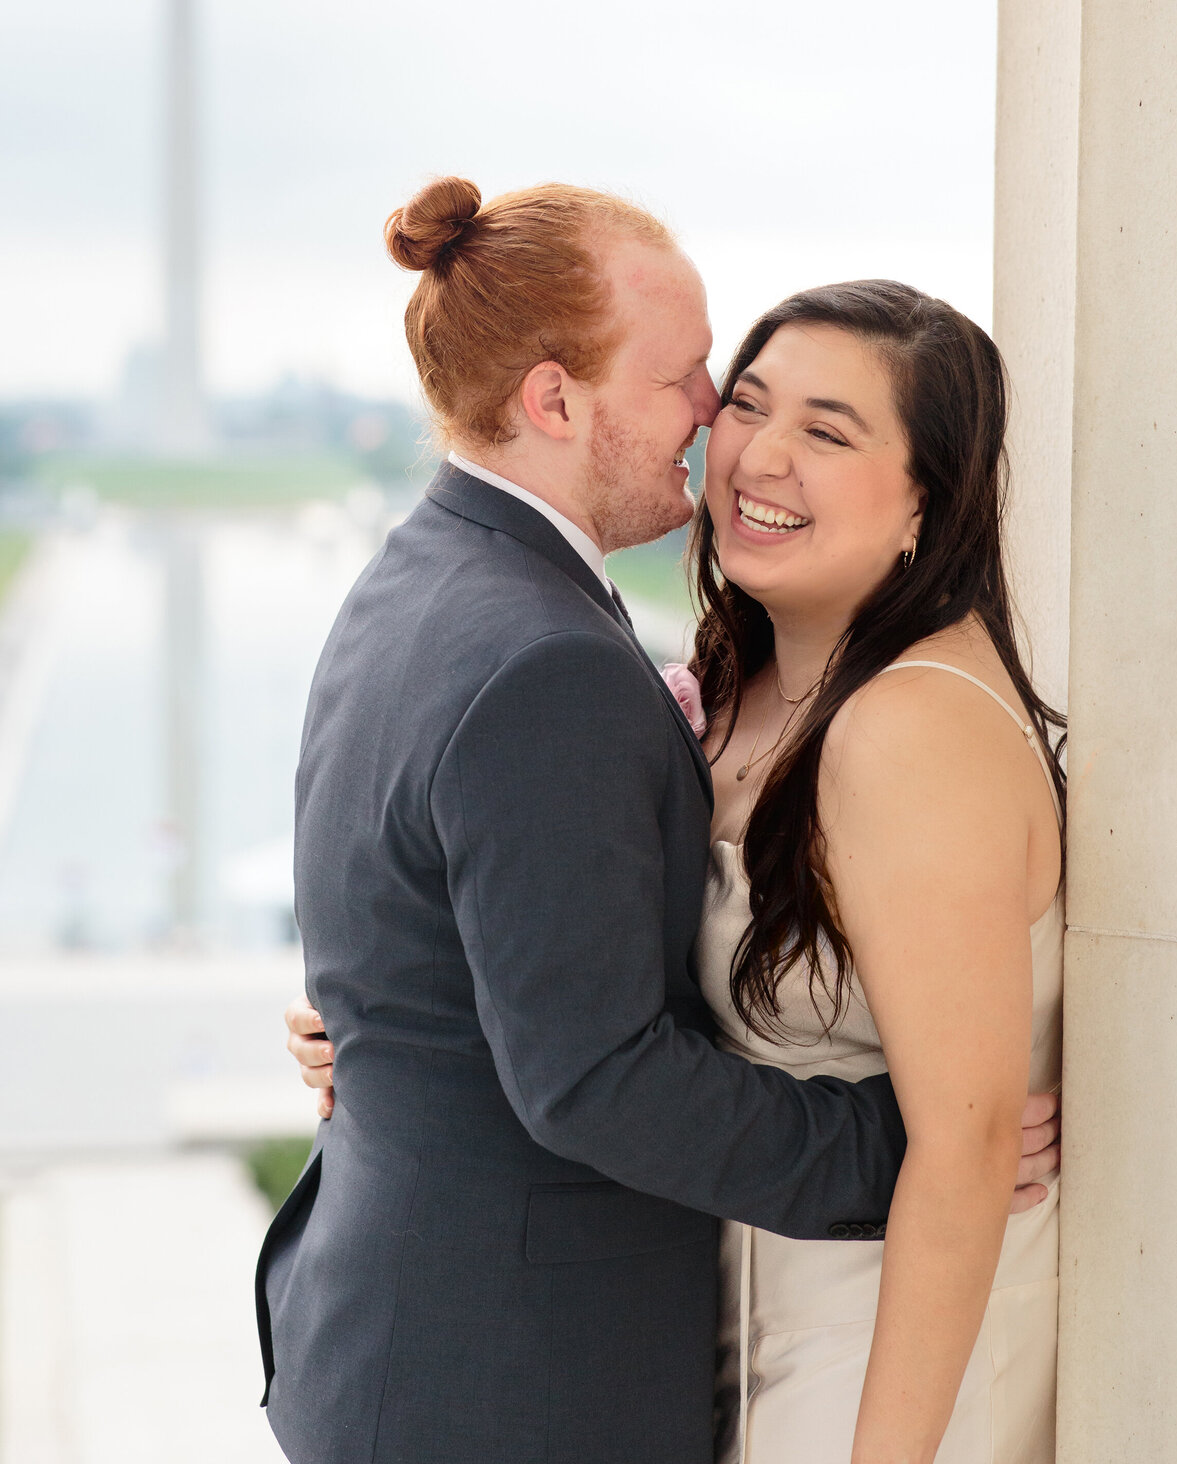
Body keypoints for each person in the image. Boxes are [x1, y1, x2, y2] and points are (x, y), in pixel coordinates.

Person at [267, 179, 1059, 1464]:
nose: (718, 423)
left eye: (823, 425)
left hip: (744, 1346)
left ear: (929, 498)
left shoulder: (423, 579)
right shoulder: (563, 659)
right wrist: (892, 1146)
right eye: (712, 383)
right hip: (511, 1380)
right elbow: (587, 1065)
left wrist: (406, 1037)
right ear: (554, 400)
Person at [692, 285, 1063, 1463]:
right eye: (748, 405)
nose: (762, 452)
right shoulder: (739, 689)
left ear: (926, 505)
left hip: (881, 1372)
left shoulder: (910, 728)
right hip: (741, 1338)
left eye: (829, 431)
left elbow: (966, 1155)